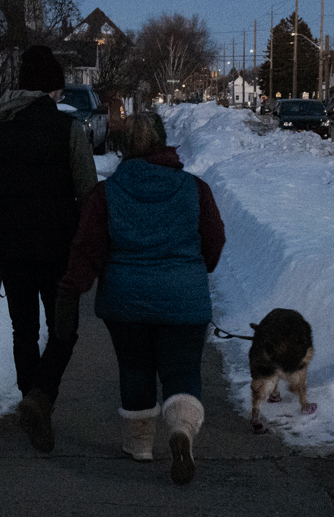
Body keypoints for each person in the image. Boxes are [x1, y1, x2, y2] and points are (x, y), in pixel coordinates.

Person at [57, 112, 225, 485]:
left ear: (122, 148)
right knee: (182, 369)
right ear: (163, 142)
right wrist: (198, 270)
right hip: (184, 298)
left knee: (136, 369)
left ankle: (140, 446)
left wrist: (73, 285)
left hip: (126, 301)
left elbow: (88, 248)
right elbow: (214, 240)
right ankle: (181, 431)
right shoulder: (195, 189)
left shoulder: (106, 194)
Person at [0, 45, 98, 453]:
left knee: (24, 331)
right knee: (63, 332)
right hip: (58, 250)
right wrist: (96, 249)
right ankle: (40, 400)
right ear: (50, 89)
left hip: (10, 249)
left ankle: (32, 405)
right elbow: (89, 195)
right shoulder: (69, 131)